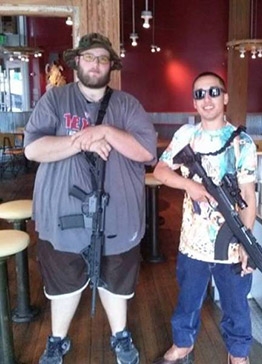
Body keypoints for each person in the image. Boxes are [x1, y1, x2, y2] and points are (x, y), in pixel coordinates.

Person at [24, 33, 157, 364]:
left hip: (117, 218)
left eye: (102, 58)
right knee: (64, 280)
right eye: (89, 57)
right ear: (76, 62)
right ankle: (57, 340)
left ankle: (120, 336)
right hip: (63, 216)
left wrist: (107, 132)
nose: (95, 64)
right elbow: (33, 148)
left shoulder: (127, 105)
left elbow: (146, 152)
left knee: (115, 280)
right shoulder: (54, 100)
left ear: (110, 65)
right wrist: (81, 141)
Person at [153, 72, 257, 364]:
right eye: (199, 94)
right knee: (188, 299)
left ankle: (238, 354)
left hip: (231, 242)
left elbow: (248, 194)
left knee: (237, 305)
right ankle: (183, 344)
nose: (207, 99)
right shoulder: (186, 135)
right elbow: (160, 171)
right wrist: (190, 186)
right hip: (193, 241)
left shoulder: (242, 142)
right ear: (194, 103)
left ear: (225, 98)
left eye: (213, 92)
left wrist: (246, 239)